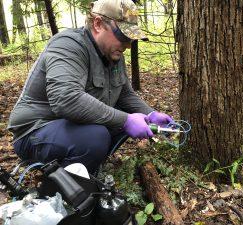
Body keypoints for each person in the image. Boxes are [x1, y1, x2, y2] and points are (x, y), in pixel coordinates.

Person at [8, 0, 172, 174]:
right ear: (98, 24)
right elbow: (65, 99)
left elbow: (124, 95)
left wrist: (150, 114)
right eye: (123, 36)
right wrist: (125, 120)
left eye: (131, 39)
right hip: (35, 132)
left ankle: (86, 169)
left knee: (117, 123)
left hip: (70, 128)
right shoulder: (68, 45)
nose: (127, 45)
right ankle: (65, 191)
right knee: (97, 136)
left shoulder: (113, 53)